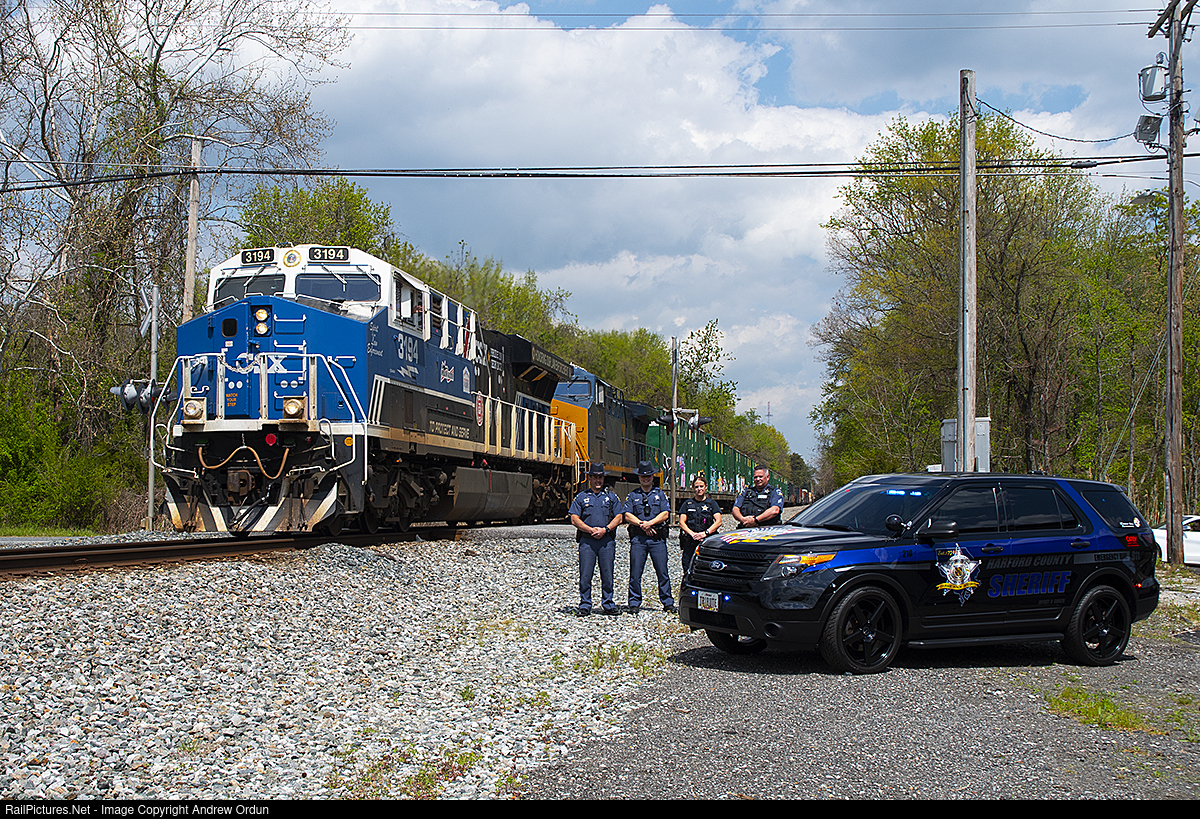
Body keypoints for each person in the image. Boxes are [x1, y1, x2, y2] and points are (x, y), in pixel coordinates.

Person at [569, 463, 624, 616]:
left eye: (600, 477)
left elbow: (619, 517)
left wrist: (605, 529)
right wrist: (589, 529)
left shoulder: (611, 497)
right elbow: (574, 518)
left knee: (607, 573)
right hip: (588, 541)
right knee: (585, 574)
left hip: (606, 540)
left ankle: (608, 603)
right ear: (590, 478)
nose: (597, 480)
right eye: (595, 477)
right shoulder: (581, 497)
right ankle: (585, 604)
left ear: (603, 478)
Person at [623, 461, 675, 614]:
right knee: (635, 573)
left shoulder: (660, 494)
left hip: (657, 539)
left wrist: (650, 523)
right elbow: (627, 515)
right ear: (639, 477)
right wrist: (642, 524)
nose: (645, 478)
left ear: (652, 477)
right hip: (639, 539)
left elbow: (665, 514)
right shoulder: (633, 495)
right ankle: (634, 602)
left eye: (648, 476)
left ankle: (667, 602)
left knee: (662, 572)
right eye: (642, 476)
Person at [678, 474, 722, 576]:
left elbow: (718, 521)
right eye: (696, 487)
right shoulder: (687, 504)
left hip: (707, 540)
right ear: (693, 488)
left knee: (707, 567)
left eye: (701, 486)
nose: (699, 489)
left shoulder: (712, 503)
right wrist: (692, 534)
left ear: (706, 487)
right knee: (688, 568)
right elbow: (681, 522)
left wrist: (705, 533)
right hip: (690, 541)